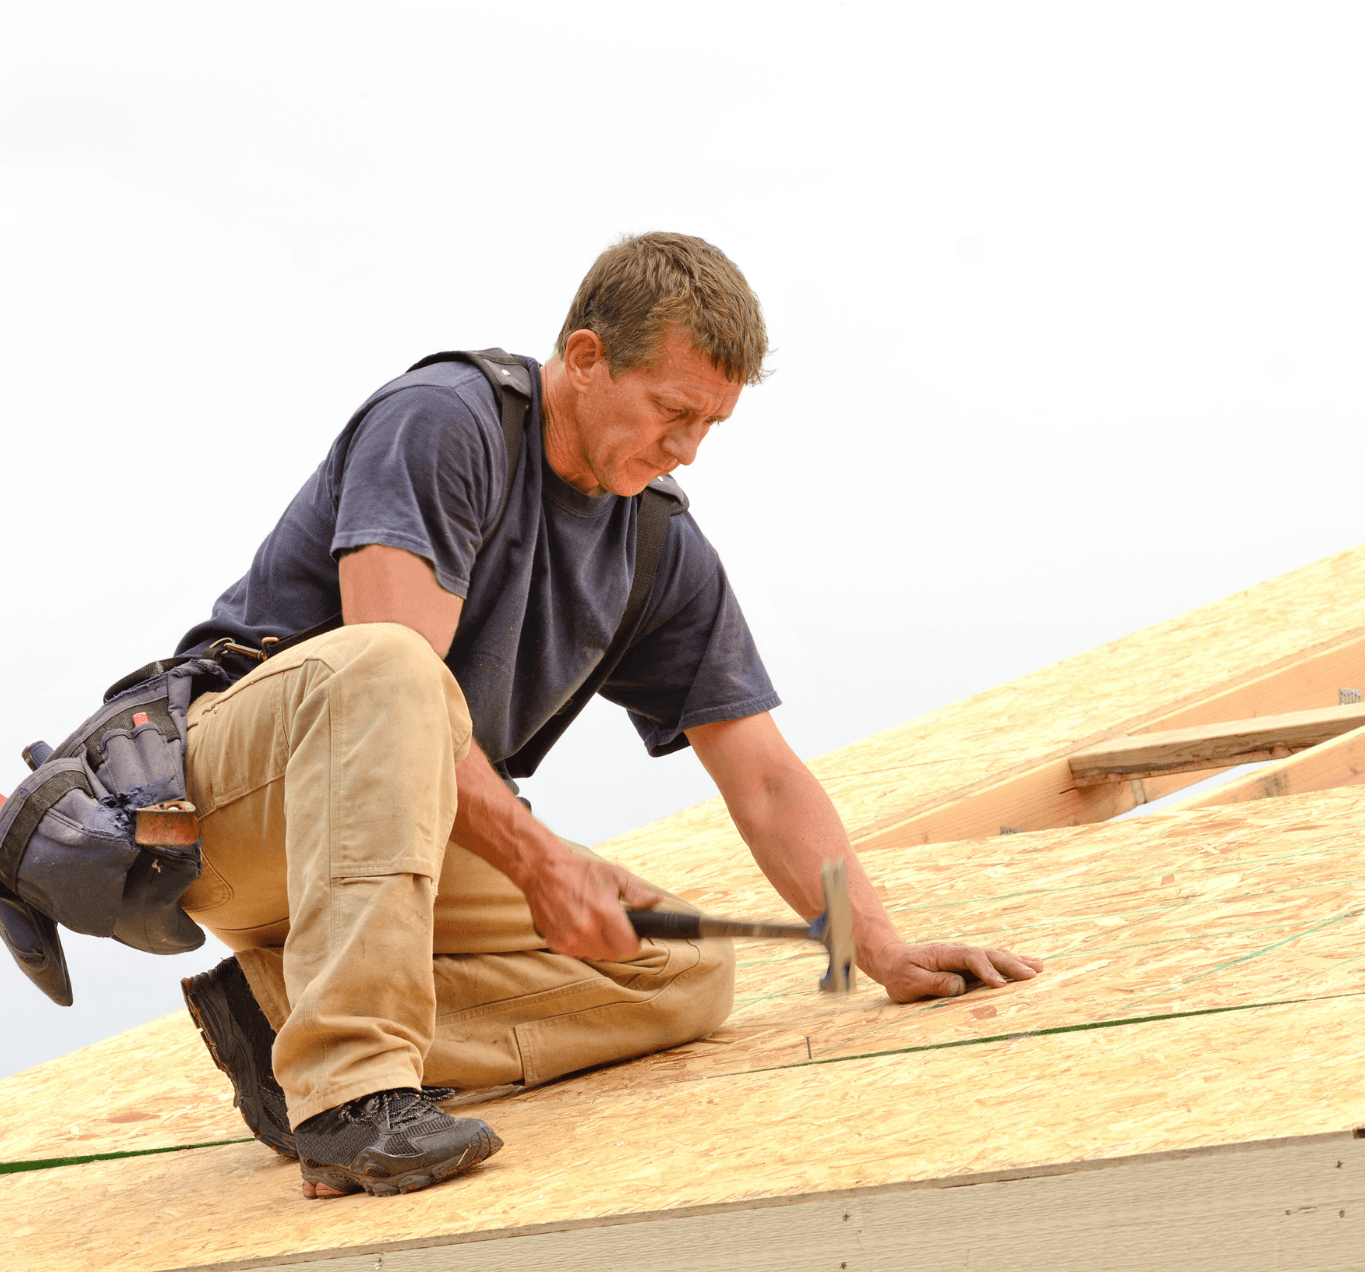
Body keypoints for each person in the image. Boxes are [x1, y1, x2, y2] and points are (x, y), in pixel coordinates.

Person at [171, 232, 1043, 1201]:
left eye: (709, 424)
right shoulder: (443, 422)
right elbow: (388, 678)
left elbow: (762, 772)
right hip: (233, 800)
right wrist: (542, 859)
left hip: (384, 838)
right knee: (397, 662)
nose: (686, 447)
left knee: (683, 963)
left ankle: (271, 1011)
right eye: (672, 410)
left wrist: (871, 941)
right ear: (585, 359)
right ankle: (348, 1099)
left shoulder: (656, 544)